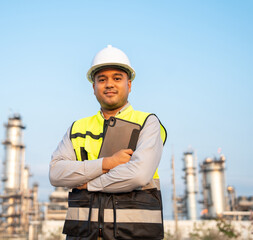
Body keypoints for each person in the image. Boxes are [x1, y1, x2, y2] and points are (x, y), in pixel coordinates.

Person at [49, 45, 167, 240]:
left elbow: (138, 175)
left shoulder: (147, 122)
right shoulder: (77, 128)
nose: (109, 84)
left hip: (135, 235)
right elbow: (56, 173)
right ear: (93, 87)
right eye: (102, 79)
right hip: (83, 236)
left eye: (117, 78)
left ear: (129, 84)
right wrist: (106, 164)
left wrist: (88, 184)